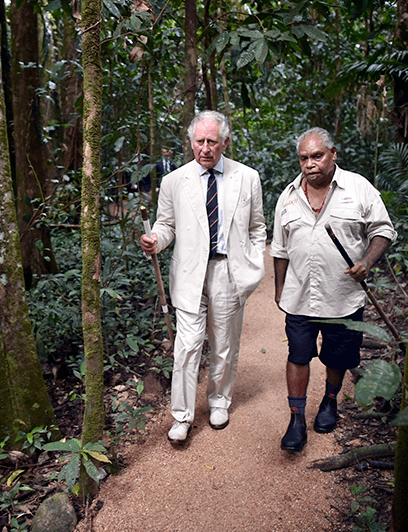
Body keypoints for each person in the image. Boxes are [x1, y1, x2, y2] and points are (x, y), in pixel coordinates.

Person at [140, 110, 266, 444]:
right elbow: (166, 224)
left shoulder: (247, 177)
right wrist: (155, 240)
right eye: (199, 141)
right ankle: (181, 416)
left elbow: (257, 226)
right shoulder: (174, 181)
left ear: (225, 142)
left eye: (212, 141)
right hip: (188, 272)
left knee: (224, 344)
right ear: (191, 142)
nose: (205, 148)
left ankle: (219, 402)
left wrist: (254, 262)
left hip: (228, 270)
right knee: (187, 347)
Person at [270, 127, 397, 452]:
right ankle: (296, 418)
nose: (310, 164)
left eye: (317, 156)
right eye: (303, 158)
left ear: (333, 154)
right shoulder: (288, 196)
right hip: (299, 296)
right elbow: (280, 248)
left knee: (337, 355)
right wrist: (280, 287)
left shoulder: (358, 188)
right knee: (298, 354)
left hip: (343, 296)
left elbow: (383, 229)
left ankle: (329, 401)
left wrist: (367, 262)